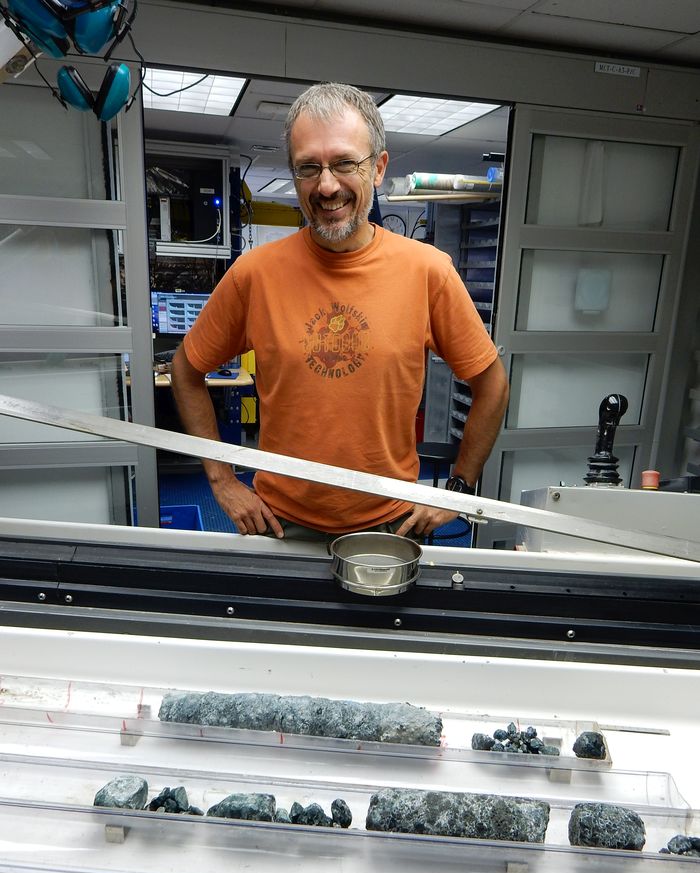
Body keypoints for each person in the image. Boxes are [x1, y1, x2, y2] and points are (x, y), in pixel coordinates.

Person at [171, 82, 509, 541]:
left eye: (345, 163)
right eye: (309, 168)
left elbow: (491, 384)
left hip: (391, 527)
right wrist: (222, 480)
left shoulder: (428, 272)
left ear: (378, 168)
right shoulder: (255, 274)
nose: (326, 185)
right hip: (278, 525)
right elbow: (186, 371)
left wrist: (459, 488)